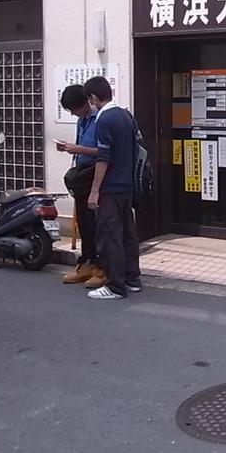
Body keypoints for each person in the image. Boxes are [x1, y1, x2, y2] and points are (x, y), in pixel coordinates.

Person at [82, 76, 141, 300]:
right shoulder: (126, 115)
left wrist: (95, 189)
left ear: (94, 98)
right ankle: (132, 279)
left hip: (111, 186)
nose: (90, 104)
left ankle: (115, 286)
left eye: (90, 100)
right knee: (128, 234)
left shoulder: (104, 119)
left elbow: (103, 157)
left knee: (110, 236)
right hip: (128, 184)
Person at [57, 85, 104, 288]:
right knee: (84, 223)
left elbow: (105, 151)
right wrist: (69, 148)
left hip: (98, 176)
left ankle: (102, 268)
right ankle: (87, 263)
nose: (74, 113)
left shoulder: (102, 118)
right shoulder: (82, 120)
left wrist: (78, 148)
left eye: (74, 109)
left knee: (98, 225)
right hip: (82, 176)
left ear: (86, 101)